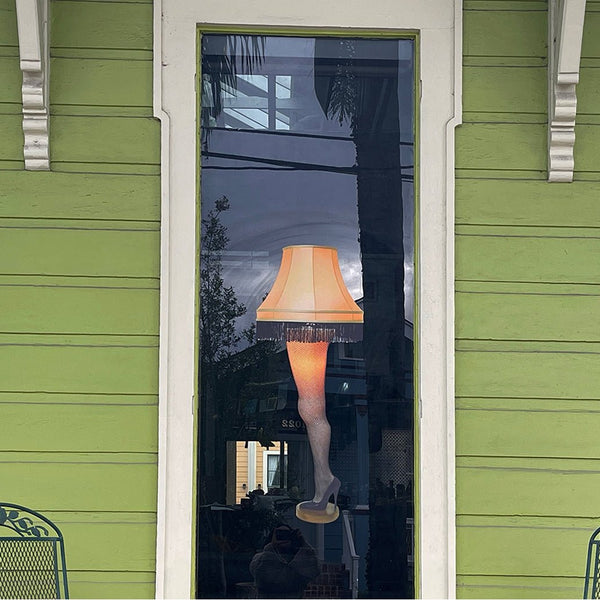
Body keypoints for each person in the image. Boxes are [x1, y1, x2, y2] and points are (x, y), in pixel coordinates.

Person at [249, 525, 320, 598]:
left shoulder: (298, 560)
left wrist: (302, 542)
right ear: (273, 536)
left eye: (287, 534)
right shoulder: (259, 558)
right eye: (279, 533)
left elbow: (314, 570)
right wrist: (272, 547)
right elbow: (261, 575)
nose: (283, 536)